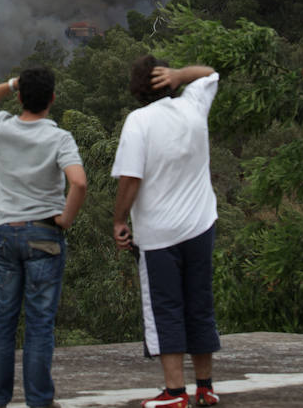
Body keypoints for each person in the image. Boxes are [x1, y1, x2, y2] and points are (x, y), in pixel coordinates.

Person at [0, 66, 87, 408]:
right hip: (44, 235)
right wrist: (65, 220)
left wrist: (9, 83)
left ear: (20, 96)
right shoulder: (59, 138)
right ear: (53, 99)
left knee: (1, 321)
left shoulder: (0, 128)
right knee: (39, 324)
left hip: (5, 233)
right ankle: (39, 400)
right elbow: (78, 182)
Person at [112, 56, 221, 408]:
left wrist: (119, 220)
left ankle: (175, 393)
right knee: (200, 304)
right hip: (201, 225)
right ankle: (205, 387)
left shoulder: (138, 121)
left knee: (166, 309)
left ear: (137, 90)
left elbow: (131, 178)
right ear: (169, 83)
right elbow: (209, 73)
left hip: (159, 235)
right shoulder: (194, 104)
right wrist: (179, 75)